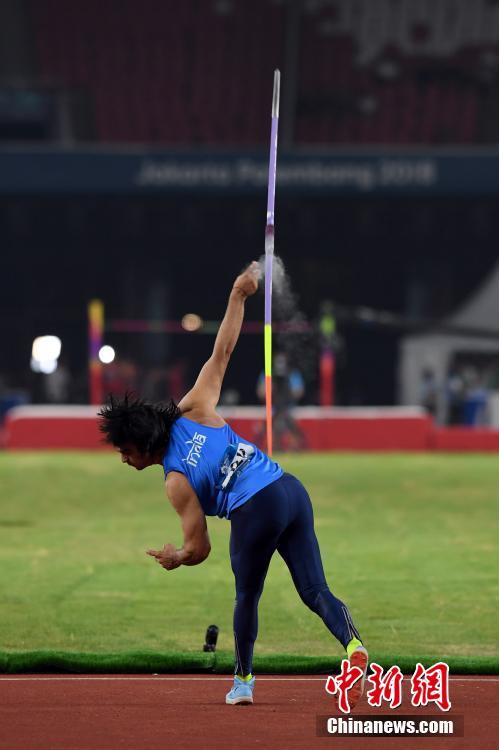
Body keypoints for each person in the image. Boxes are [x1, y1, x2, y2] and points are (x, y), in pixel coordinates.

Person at [98, 261, 368, 707]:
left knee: (247, 595)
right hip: (290, 490)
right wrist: (239, 294)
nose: (124, 459)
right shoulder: (195, 407)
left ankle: (242, 682)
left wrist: (177, 557)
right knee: (314, 590)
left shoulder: (175, 480)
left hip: (254, 508)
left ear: (143, 445)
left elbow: (200, 548)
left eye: (125, 451)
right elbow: (222, 351)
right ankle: (354, 646)